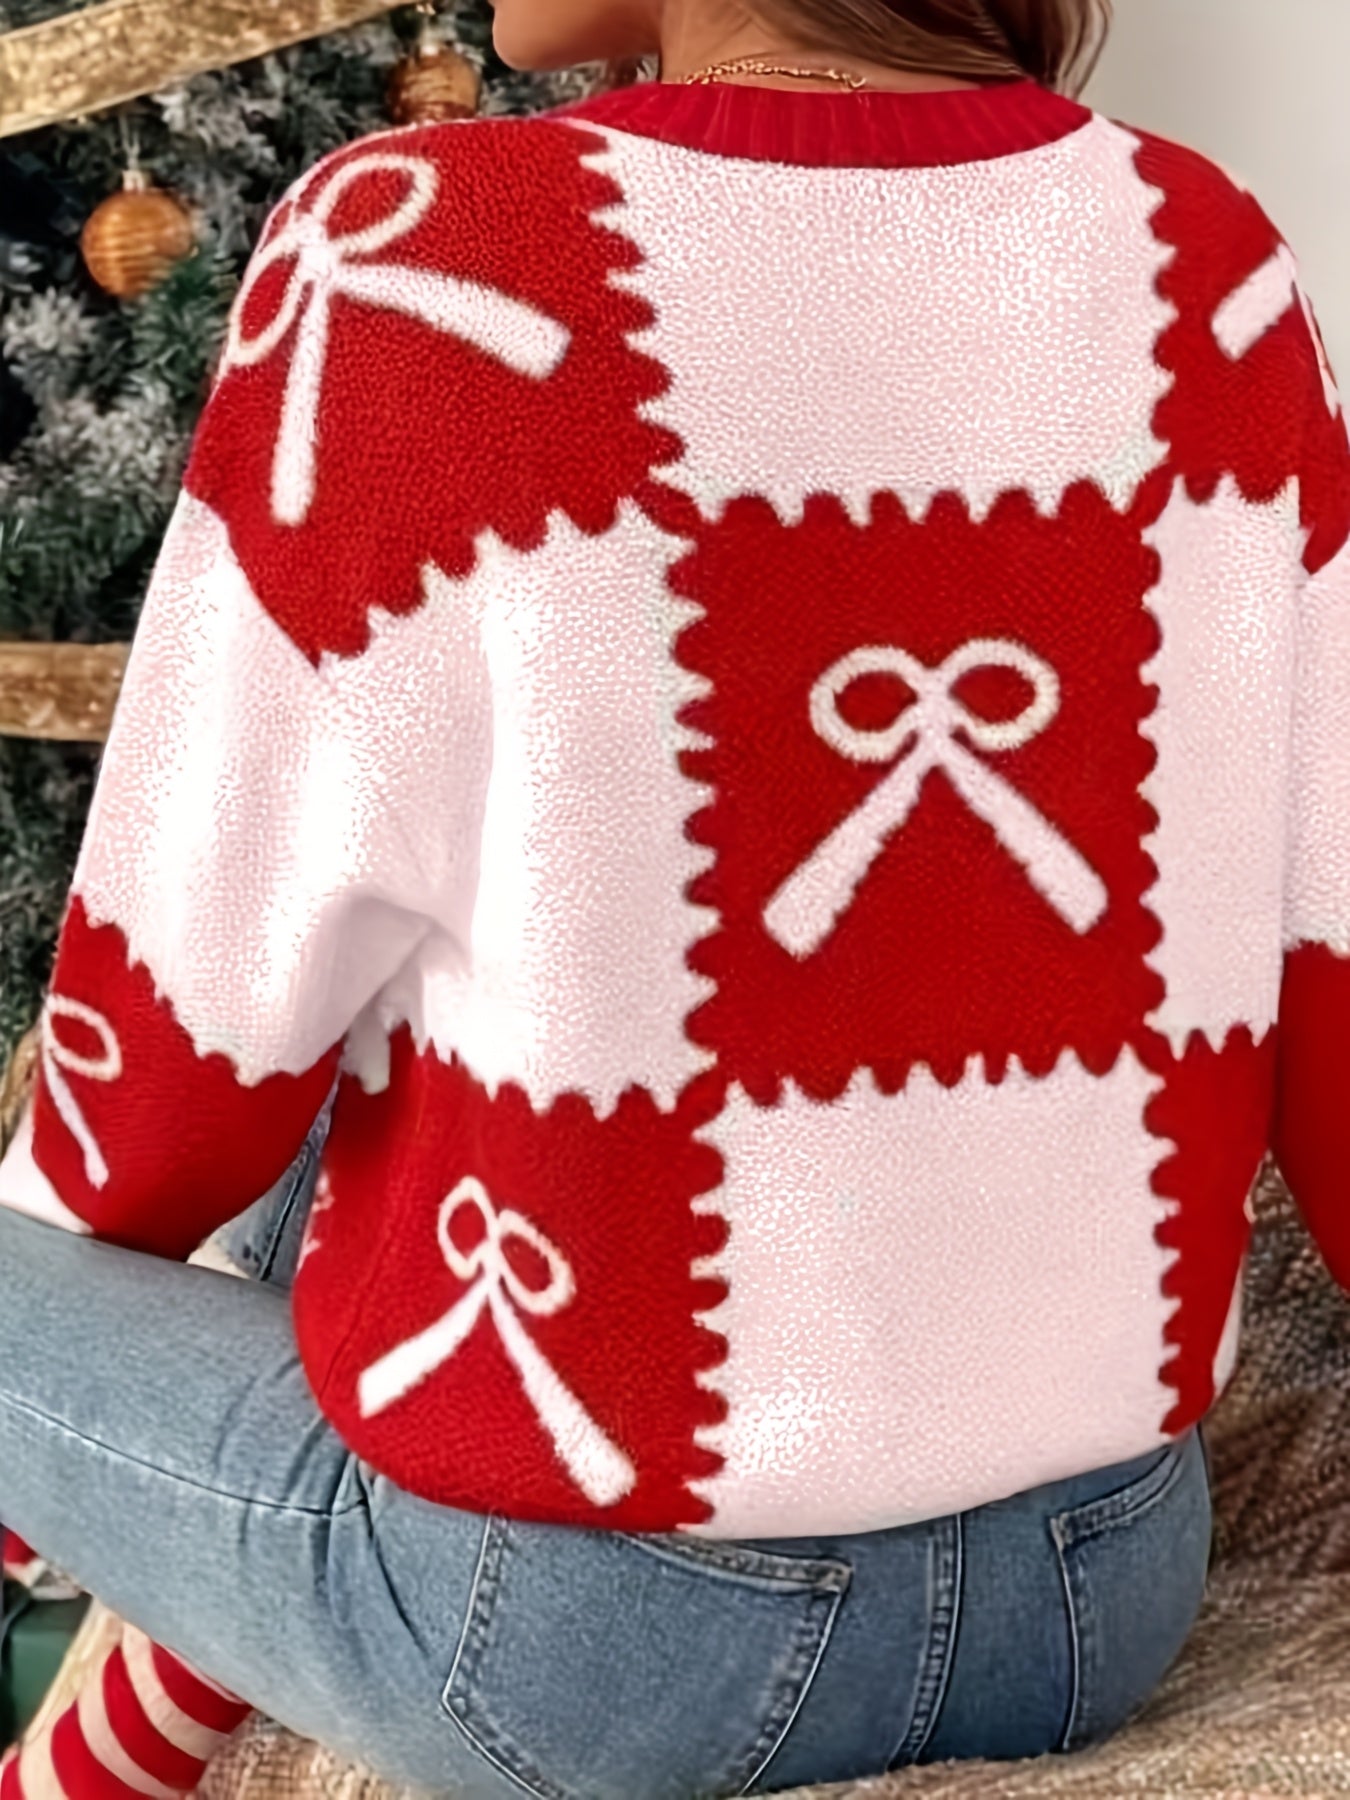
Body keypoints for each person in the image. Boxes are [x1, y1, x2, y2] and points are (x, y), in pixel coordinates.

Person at [1, 0, 1348, 1793]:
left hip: (594, 1653)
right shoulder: (1211, 254)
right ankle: (130, 1725)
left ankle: (141, 1665)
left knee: (262, 1104)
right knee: (402, 1066)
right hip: (1098, 1590)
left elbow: (177, 1048)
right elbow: (1330, 945)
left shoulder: (424, 246)